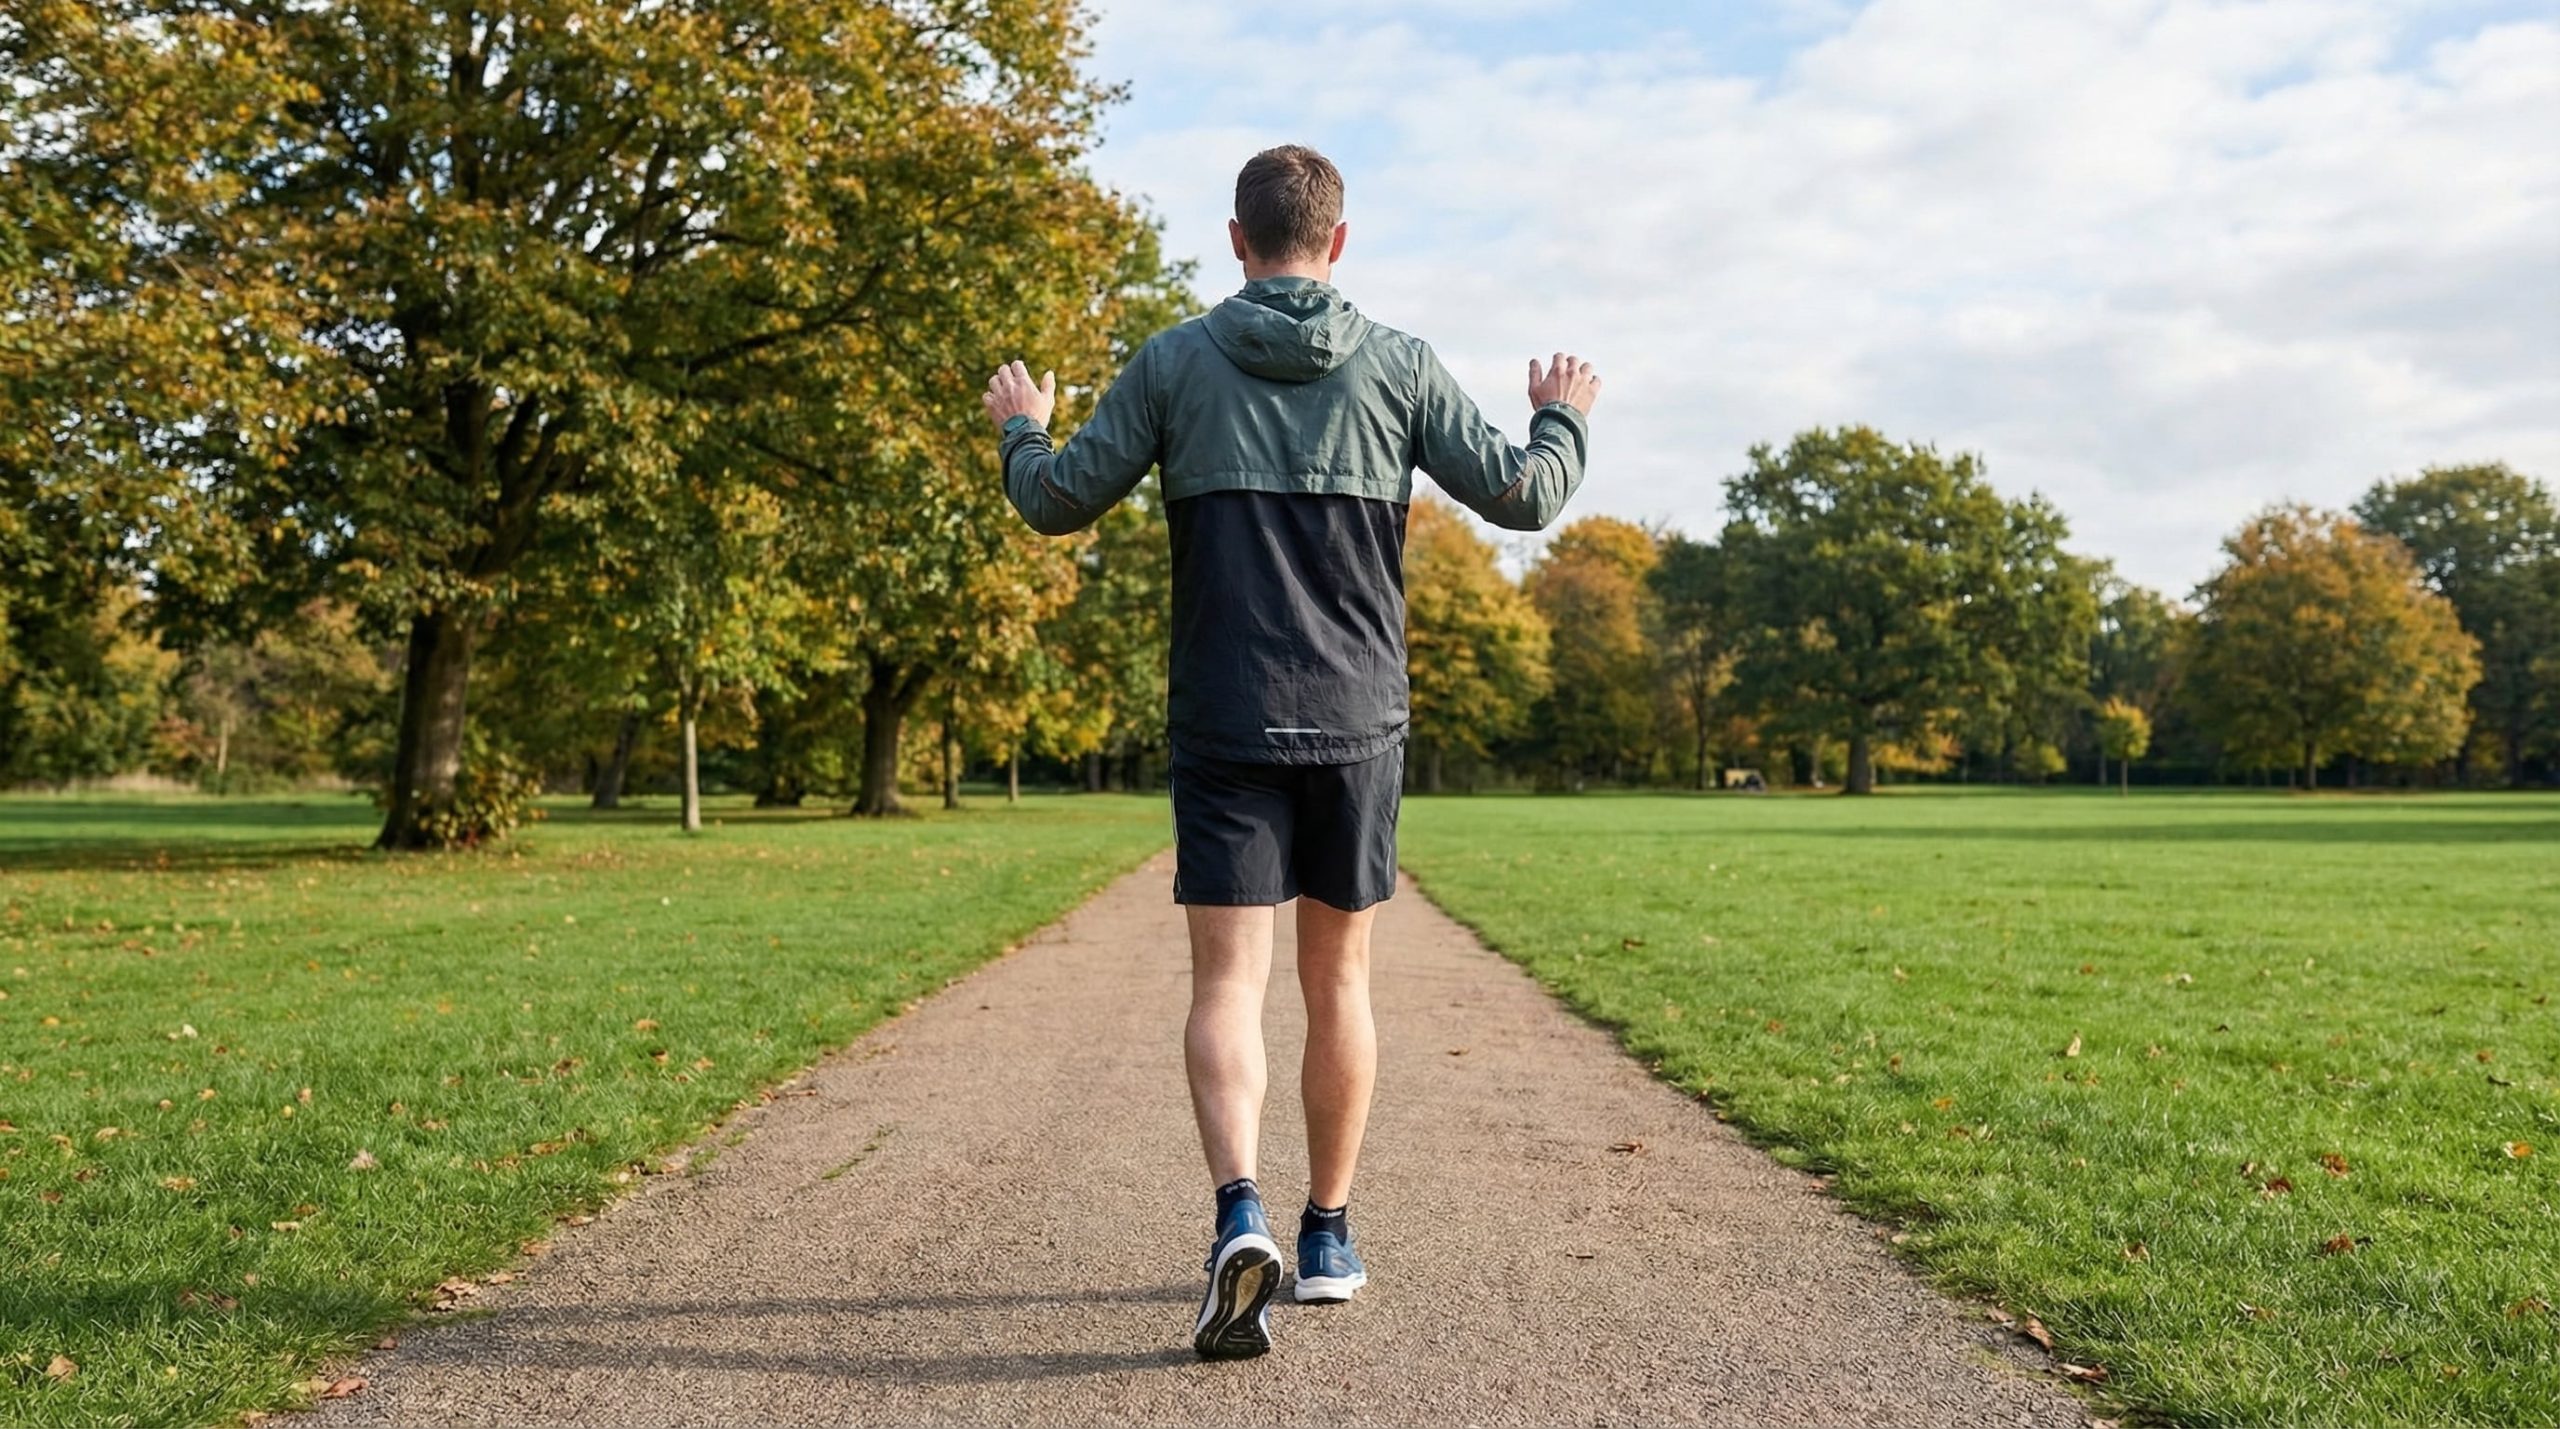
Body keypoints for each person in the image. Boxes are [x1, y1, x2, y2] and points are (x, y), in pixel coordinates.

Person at [983, 144, 1599, 1361]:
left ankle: (1236, 1215)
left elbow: (1055, 501)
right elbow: (1528, 497)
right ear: (1339, 239)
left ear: (1235, 238)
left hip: (1225, 712)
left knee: (1225, 985)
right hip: (1359, 719)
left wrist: (1023, 430)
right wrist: (1562, 415)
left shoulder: (1174, 361)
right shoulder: (1399, 365)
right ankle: (1325, 1235)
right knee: (1340, 983)